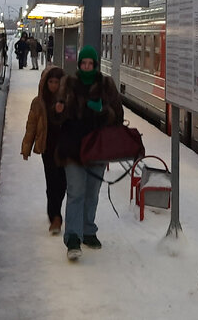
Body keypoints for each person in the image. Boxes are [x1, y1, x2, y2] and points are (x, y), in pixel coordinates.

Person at [55, 46, 124, 261]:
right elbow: (59, 117)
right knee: (76, 191)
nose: (87, 67)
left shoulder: (106, 85)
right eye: (83, 63)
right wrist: (59, 110)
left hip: (97, 148)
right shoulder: (68, 83)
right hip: (73, 148)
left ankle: (88, 231)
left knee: (92, 193)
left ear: (95, 64)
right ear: (79, 65)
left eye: (90, 64)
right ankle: (73, 238)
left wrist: (102, 109)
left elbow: (118, 116)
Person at [21, 66, 67, 235]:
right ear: (45, 83)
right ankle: (55, 216)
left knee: (62, 183)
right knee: (52, 182)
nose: (54, 85)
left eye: (57, 82)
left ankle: (56, 212)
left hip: (65, 149)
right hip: (47, 147)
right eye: (51, 82)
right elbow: (31, 125)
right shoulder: (38, 102)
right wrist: (26, 147)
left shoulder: (68, 100)